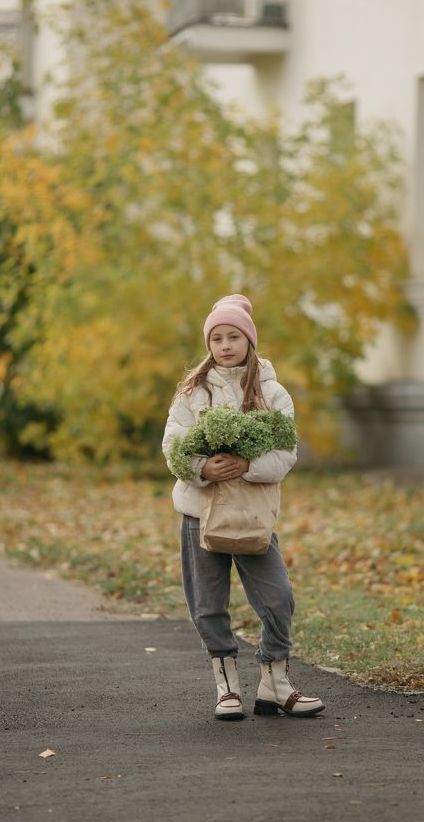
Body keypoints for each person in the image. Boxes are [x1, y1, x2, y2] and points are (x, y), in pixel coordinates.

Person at [162, 294, 325, 721]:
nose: (225, 345)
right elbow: (173, 444)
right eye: (217, 338)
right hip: (200, 513)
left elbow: (286, 453)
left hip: (252, 514)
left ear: (249, 341)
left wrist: (247, 465)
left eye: (233, 336)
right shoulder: (192, 392)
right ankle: (227, 687)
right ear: (209, 344)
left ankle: (275, 682)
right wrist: (202, 467)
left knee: (278, 597)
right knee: (208, 603)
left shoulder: (272, 392)